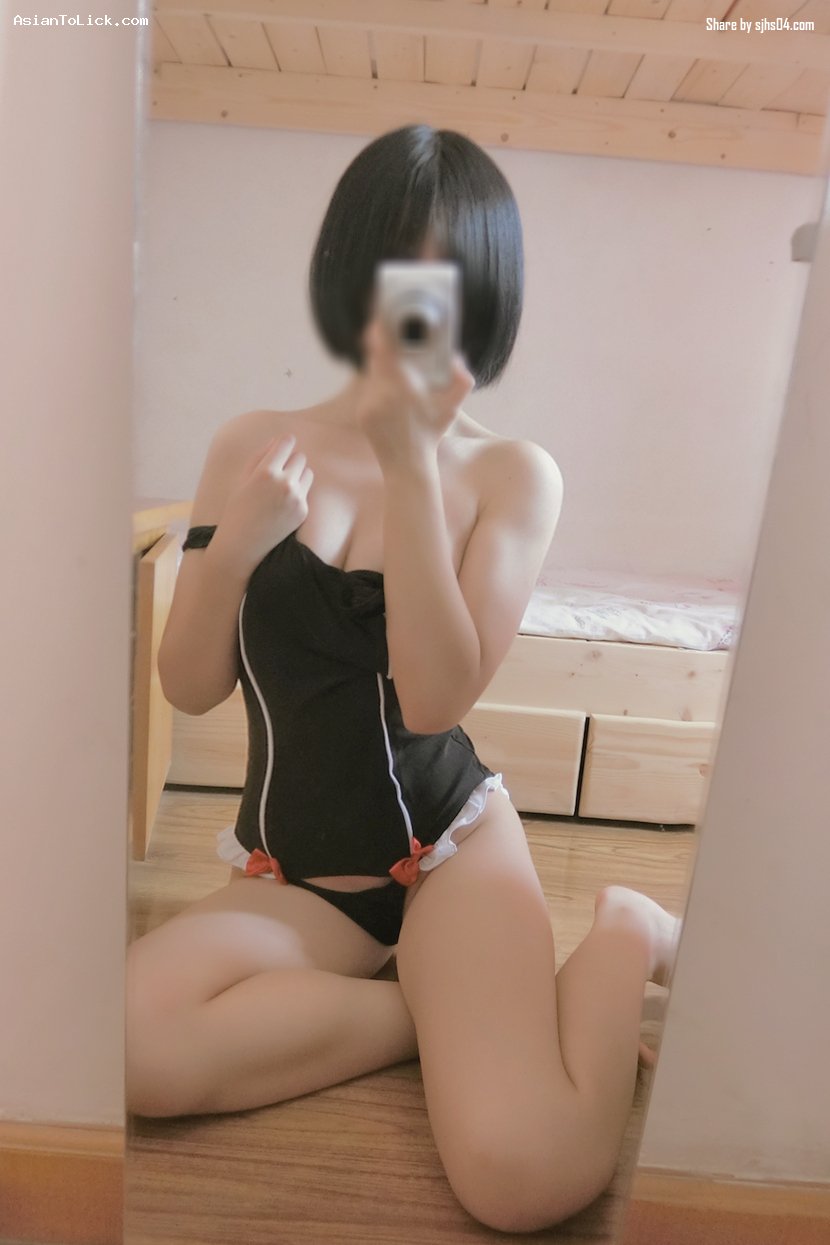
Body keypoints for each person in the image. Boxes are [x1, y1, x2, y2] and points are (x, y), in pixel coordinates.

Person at [126, 124, 680, 1234]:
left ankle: (627, 931)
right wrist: (233, 551)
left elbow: (432, 702)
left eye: (442, 278)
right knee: (136, 1049)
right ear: (345, 272)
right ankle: (432, 1015)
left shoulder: (512, 474)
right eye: (389, 269)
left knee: (520, 1174)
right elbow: (187, 686)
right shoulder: (249, 444)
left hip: (448, 856)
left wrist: (411, 463)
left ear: (483, 294)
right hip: (294, 877)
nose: (411, 307)